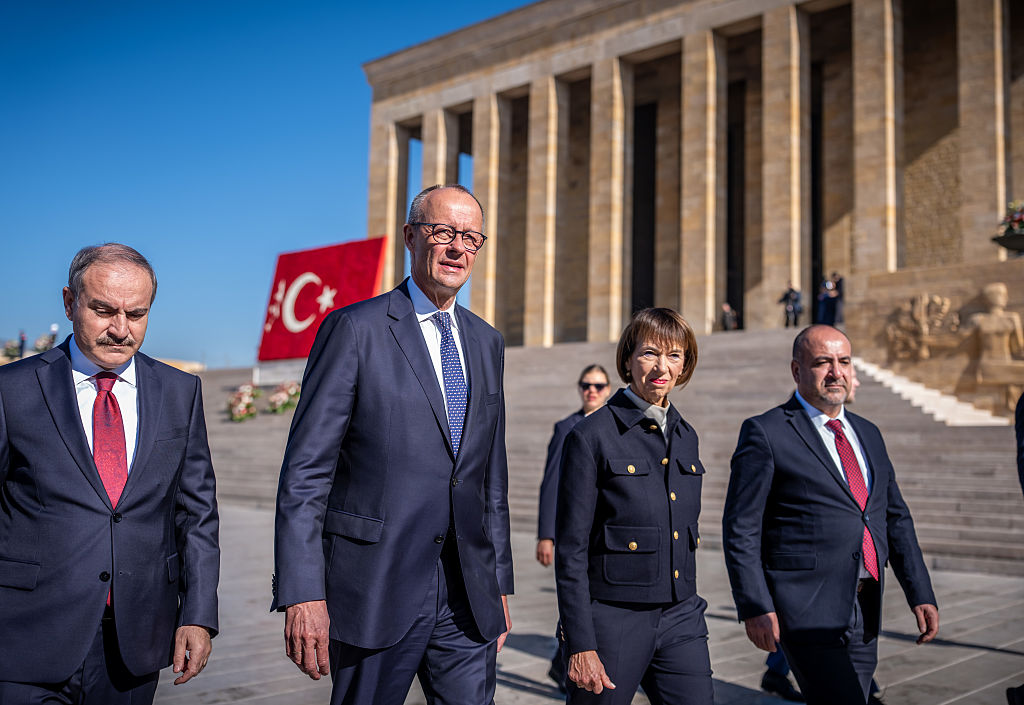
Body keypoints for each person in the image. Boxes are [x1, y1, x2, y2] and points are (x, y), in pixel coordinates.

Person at [273, 184, 513, 705]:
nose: (457, 249)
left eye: (471, 237)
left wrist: (497, 582)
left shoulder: (487, 342)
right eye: (443, 232)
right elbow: (306, 472)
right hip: (376, 587)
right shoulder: (355, 329)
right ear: (410, 236)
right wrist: (302, 591)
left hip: (466, 596)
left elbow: (490, 475)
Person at [0, 243, 220, 704]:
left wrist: (198, 615)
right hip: (24, 639)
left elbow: (197, 515)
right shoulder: (11, 390)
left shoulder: (181, 393)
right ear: (68, 301)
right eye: (103, 310)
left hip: (134, 646)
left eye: (136, 314)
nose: (121, 329)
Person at [723, 325, 938, 705]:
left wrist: (919, 590)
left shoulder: (868, 433)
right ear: (797, 370)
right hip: (804, 607)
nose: (836, 372)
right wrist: (755, 606)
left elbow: (894, 517)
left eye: (844, 361)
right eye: (823, 362)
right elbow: (741, 528)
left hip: (865, 601)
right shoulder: (766, 432)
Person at [556, 308, 713, 705]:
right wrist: (580, 642)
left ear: (685, 365)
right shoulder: (590, 436)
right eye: (650, 353)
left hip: (681, 615)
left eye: (674, 355)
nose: (662, 367)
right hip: (613, 619)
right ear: (628, 359)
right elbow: (571, 549)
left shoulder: (686, 435)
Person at [536, 364, 612, 689]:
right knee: (582, 599)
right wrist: (545, 535)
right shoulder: (566, 426)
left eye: (598, 385)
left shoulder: (617, 427)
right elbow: (550, 483)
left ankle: (559, 662)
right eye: (586, 385)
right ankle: (566, 659)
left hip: (607, 535)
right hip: (578, 536)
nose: (591, 391)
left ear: (608, 389)